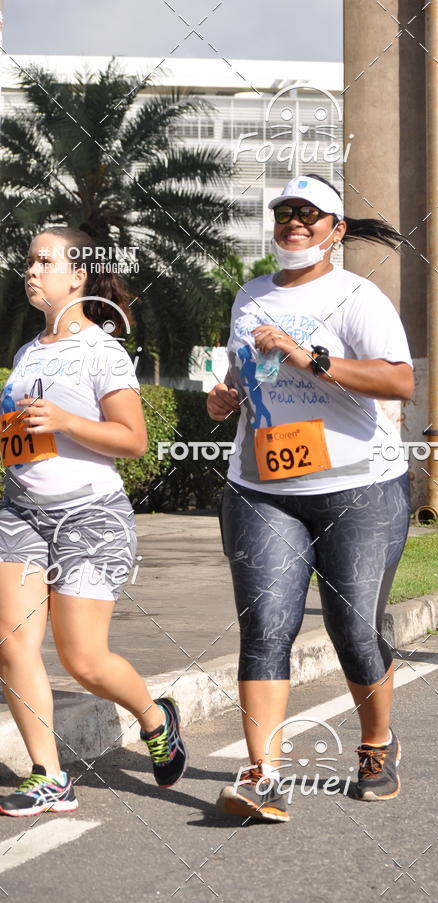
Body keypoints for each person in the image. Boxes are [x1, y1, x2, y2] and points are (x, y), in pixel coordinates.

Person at [207, 174, 414, 822]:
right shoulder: (250, 295)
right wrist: (226, 397)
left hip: (360, 487)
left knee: (354, 628)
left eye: (309, 213)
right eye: (285, 213)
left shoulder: (358, 296)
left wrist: (310, 356)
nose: (294, 222)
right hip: (261, 488)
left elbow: (398, 379)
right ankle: (262, 774)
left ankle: (378, 744)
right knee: (266, 627)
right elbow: (248, 375)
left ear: (336, 229)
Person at [0, 226, 186, 816]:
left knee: (82, 660)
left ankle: (155, 717)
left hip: (89, 517)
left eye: (44, 261)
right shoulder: (29, 352)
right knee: (12, 646)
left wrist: (62, 421)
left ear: (78, 276)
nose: (31, 271)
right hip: (20, 511)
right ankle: (48, 776)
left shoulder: (103, 350)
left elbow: (134, 440)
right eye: (28, 262)